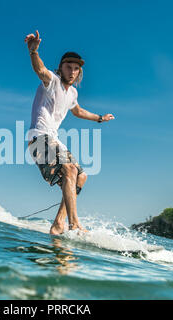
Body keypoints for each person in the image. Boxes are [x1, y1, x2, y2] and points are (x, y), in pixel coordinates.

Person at [24, 30, 115, 235]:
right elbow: (40, 71)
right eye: (68, 67)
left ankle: (58, 224)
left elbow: (79, 111)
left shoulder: (72, 93)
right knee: (69, 170)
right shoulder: (52, 81)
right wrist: (33, 52)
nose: (72, 72)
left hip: (54, 140)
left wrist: (100, 118)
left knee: (81, 177)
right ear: (61, 68)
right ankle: (74, 224)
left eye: (76, 69)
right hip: (39, 138)